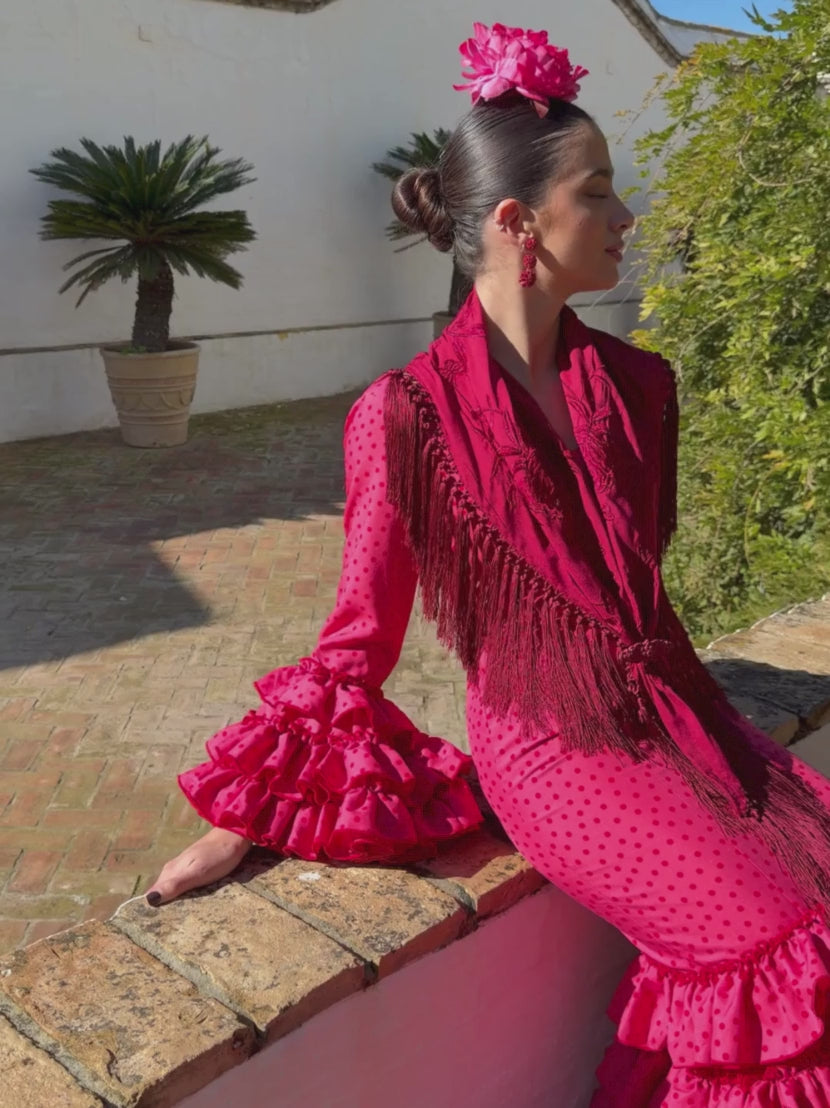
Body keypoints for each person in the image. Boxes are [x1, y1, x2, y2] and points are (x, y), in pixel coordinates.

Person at [147, 23, 830, 1106]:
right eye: (597, 194)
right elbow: (355, 642)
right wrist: (245, 818)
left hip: (687, 716)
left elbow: (638, 582)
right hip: (553, 752)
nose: (624, 217)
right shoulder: (402, 416)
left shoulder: (642, 385)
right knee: (785, 942)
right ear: (517, 223)